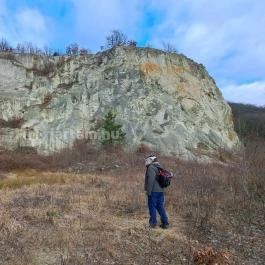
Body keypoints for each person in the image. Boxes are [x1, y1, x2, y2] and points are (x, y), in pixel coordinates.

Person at [144, 155, 169, 229]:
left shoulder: (151, 168)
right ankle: (165, 223)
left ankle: (152, 224)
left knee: (152, 207)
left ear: (151, 160)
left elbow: (150, 181)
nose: (146, 162)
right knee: (160, 207)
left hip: (153, 192)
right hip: (160, 191)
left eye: (147, 160)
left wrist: (148, 191)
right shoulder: (159, 167)